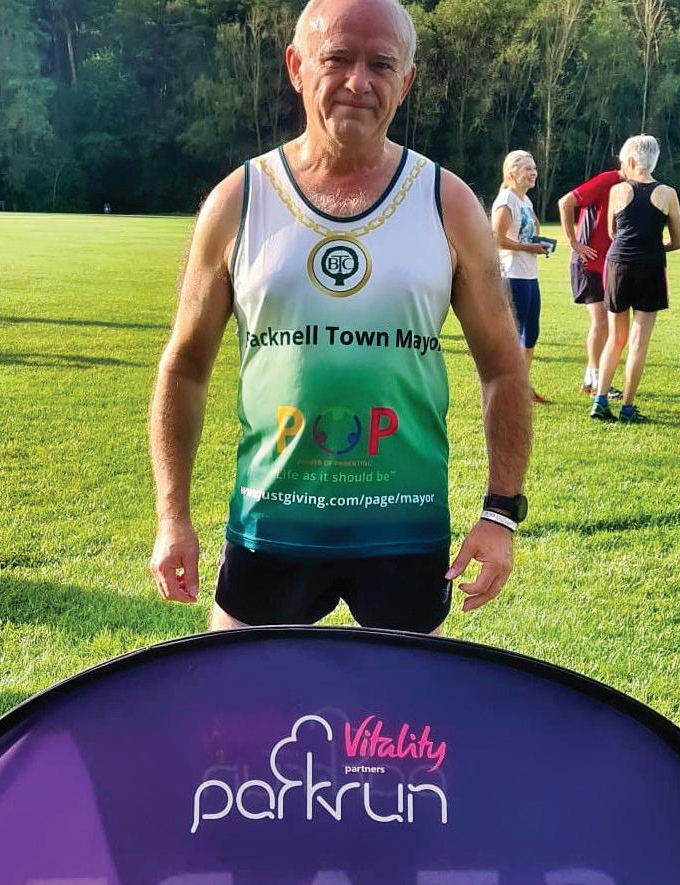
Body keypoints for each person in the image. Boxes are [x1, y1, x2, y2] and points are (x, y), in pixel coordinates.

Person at [149, 0, 532, 634]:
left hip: (403, 523)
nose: (359, 81)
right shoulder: (240, 199)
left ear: (406, 81)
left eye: (381, 64)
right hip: (273, 521)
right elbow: (186, 365)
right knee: (243, 696)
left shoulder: (448, 202)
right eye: (337, 58)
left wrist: (500, 514)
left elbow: (503, 366)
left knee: (404, 701)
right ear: (297, 66)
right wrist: (172, 516)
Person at [591, 135, 680, 423]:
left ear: (631, 160)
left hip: (618, 266)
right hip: (651, 267)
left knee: (615, 338)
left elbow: (612, 232)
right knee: (638, 342)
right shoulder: (667, 193)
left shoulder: (617, 190)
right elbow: (678, 241)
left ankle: (600, 400)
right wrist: (655, 246)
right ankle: (628, 408)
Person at [558, 163, 624, 397]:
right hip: (588, 263)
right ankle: (596, 379)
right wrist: (573, 242)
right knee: (602, 321)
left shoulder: (631, 188)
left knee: (607, 324)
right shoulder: (608, 180)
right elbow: (565, 202)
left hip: (607, 264)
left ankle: (591, 377)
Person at [491, 150, 552, 403]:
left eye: (534, 168)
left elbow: (528, 231)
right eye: (527, 168)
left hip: (529, 275)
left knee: (531, 333)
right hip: (512, 275)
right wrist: (529, 247)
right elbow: (496, 239)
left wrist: (539, 243)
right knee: (513, 335)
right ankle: (506, 389)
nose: (533, 172)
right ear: (511, 173)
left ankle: (521, 386)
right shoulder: (507, 200)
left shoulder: (525, 200)